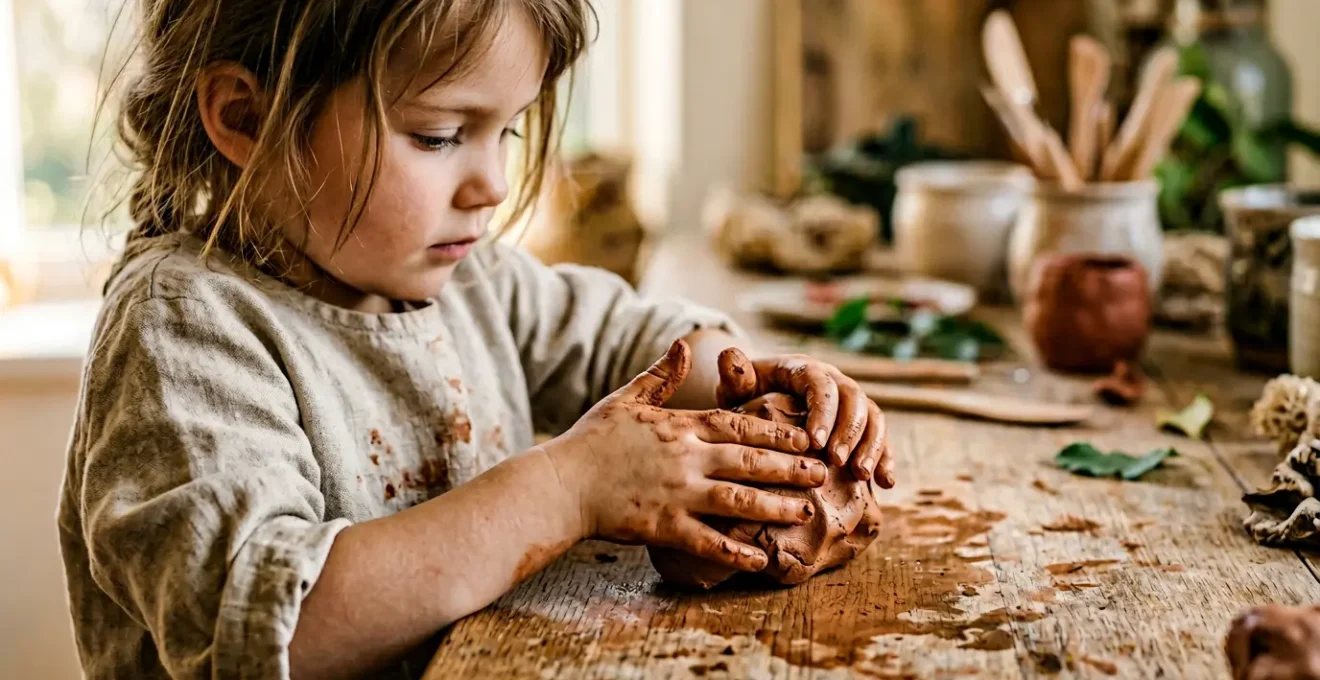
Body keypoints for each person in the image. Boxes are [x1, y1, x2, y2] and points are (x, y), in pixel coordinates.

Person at [57, 0, 893, 677]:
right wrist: (570, 487)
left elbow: (635, 341)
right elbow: (274, 630)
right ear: (247, 117)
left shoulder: (469, 280)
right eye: (438, 135)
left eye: (508, 131)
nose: (491, 184)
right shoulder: (183, 329)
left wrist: (762, 388)